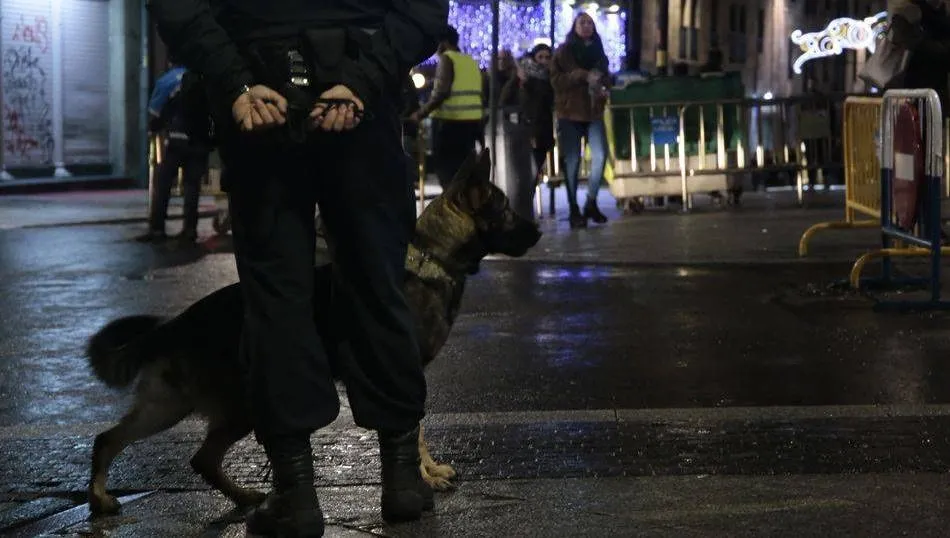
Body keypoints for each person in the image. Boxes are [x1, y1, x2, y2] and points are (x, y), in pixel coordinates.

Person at [147, 1, 448, 536]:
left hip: (259, 102)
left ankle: (296, 490)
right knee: (377, 288)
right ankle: (402, 478)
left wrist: (234, 81)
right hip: (360, 99)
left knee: (276, 300)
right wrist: (365, 79)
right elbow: (423, 9)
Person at [550, 12, 611, 229]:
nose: (586, 26)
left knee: (601, 154)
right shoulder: (564, 51)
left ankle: (591, 202)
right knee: (573, 161)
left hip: (593, 111)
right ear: (574, 26)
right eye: (582, 22)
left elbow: (607, 76)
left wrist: (604, 83)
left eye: (590, 23)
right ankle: (574, 206)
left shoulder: (599, 52)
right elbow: (555, 80)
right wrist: (578, 75)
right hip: (569, 113)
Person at [140, 60, 212, 243]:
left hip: (177, 140)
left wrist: (154, 128)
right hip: (200, 141)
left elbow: (155, 113)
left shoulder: (168, 80)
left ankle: (157, 228)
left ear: (171, 62)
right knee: (191, 186)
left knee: (163, 182)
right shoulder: (205, 78)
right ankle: (189, 230)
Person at [410, 26, 484, 189]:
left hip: (450, 123)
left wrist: (419, 114)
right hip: (471, 124)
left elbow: (441, 93)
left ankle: (452, 208)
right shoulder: (470, 61)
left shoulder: (446, 59)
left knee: (447, 173)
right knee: (463, 172)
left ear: (443, 42)